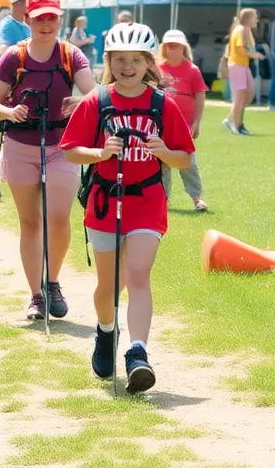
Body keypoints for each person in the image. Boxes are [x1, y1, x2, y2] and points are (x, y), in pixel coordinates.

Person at [61, 23, 194, 395]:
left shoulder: (162, 104)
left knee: (137, 275)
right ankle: (106, 332)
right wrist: (100, 153)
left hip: (147, 202)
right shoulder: (97, 101)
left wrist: (164, 152)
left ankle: (138, 354)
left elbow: (185, 158)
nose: (127, 66)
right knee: (108, 286)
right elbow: (70, 149)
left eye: (136, 60)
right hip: (104, 203)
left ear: (149, 62)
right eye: (119, 60)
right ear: (109, 62)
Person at [0, 0, 95, 321]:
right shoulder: (14, 58)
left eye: (52, 18)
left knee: (59, 217)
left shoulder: (70, 55)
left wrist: (82, 102)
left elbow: (96, 92)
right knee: (30, 222)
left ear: (60, 19)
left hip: (62, 146)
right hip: (19, 146)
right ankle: (35, 295)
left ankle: (53, 282)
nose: (46, 24)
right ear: (28, 20)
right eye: (39, 18)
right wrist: (9, 111)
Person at [157, 30, 209, 212]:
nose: (171, 48)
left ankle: (197, 198)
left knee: (187, 163)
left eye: (175, 45)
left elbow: (200, 96)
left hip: (185, 125)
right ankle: (162, 201)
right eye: (168, 45)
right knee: (161, 164)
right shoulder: (157, 68)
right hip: (161, 126)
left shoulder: (192, 70)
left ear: (183, 48)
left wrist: (197, 122)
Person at [222, 8, 263, 136]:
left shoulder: (247, 30)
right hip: (237, 65)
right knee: (239, 98)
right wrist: (253, 55)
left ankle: (234, 121)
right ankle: (235, 125)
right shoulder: (240, 30)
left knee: (248, 95)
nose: (256, 19)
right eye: (254, 17)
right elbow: (240, 49)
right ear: (248, 18)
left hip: (244, 66)